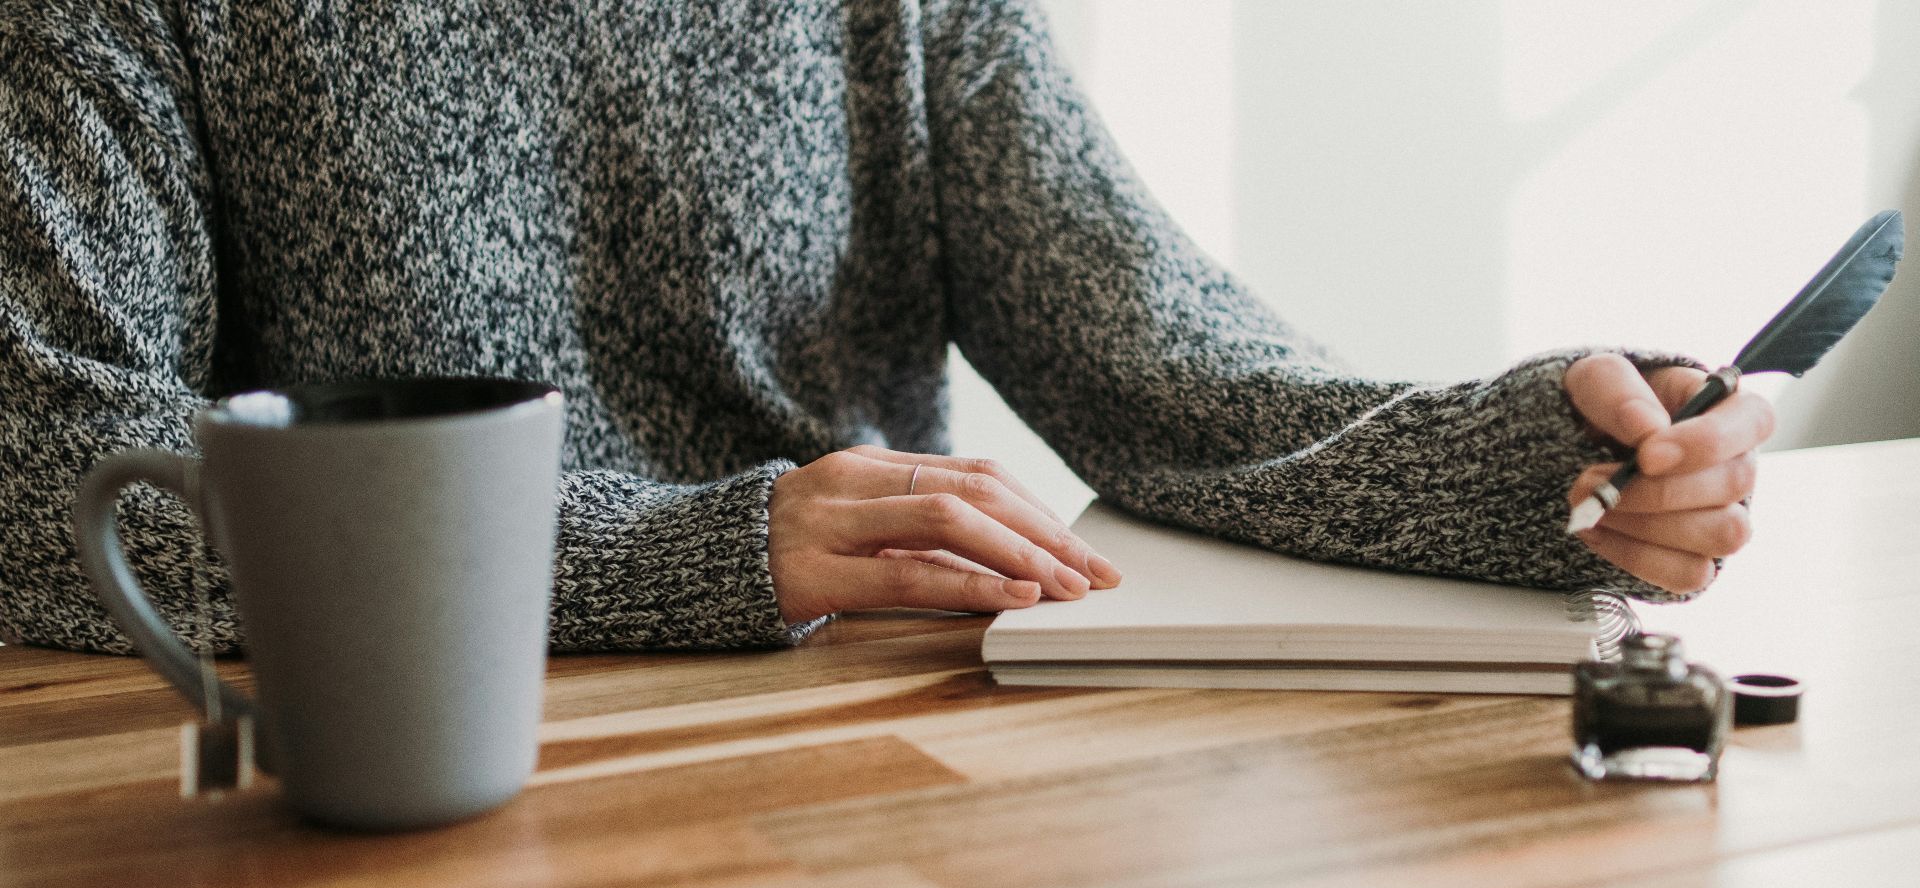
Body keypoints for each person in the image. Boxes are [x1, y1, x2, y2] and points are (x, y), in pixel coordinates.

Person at [0, 0, 1770, 656]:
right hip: (359, 803)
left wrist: (1550, 452)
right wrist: (695, 550)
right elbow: (41, 463)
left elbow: (1178, 380)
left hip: (864, 768)